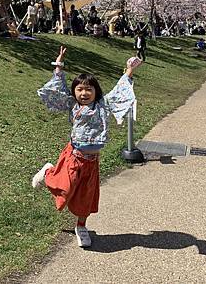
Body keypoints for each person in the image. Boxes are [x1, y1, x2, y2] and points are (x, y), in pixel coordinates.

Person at [32, 46, 141, 248]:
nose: (84, 93)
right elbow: (57, 90)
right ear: (74, 92)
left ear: (96, 91)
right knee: (65, 188)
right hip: (74, 157)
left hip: (92, 162)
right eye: (80, 89)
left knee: (85, 197)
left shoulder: (103, 104)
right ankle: (48, 172)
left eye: (89, 89)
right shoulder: (72, 105)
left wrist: (129, 70)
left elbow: (119, 91)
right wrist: (59, 66)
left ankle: (81, 227)